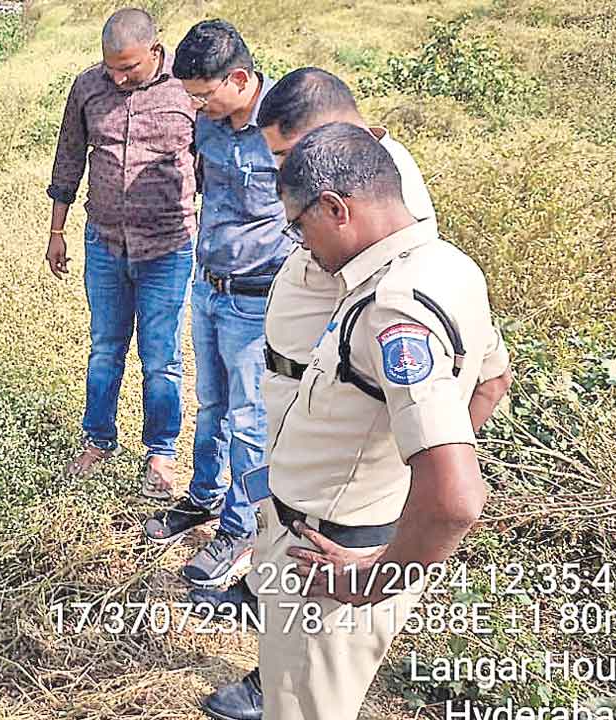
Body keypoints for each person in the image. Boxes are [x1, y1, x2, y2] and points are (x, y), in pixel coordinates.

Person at [201, 123, 512, 720]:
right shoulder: (448, 265)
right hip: (351, 533)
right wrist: (397, 484)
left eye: (298, 225)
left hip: (327, 564)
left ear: (336, 209)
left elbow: (456, 500)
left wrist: (373, 579)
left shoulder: (394, 308)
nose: (299, 244)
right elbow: (491, 381)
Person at [188, 66, 440, 608]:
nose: (284, 170)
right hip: (297, 388)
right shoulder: (345, 184)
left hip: (330, 410)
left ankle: (271, 624)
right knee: (277, 503)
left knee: (307, 540)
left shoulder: (384, 197)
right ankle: (260, 587)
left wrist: (383, 571)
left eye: (286, 155)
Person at [143, 20, 285, 592]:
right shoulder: (209, 122)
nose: (196, 107)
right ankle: (204, 496)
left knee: (251, 419)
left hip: (258, 298)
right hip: (208, 285)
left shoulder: (286, 122)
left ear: (240, 79)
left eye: (203, 95)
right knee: (212, 405)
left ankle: (241, 528)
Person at [46, 7, 198, 499]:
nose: (118, 77)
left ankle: (161, 452)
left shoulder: (186, 88)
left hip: (168, 248)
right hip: (104, 243)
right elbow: (69, 157)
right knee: (105, 349)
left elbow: (208, 162)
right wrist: (57, 230)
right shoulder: (88, 87)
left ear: (155, 50)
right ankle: (98, 440)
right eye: (111, 67)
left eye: (128, 67)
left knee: (162, 357)